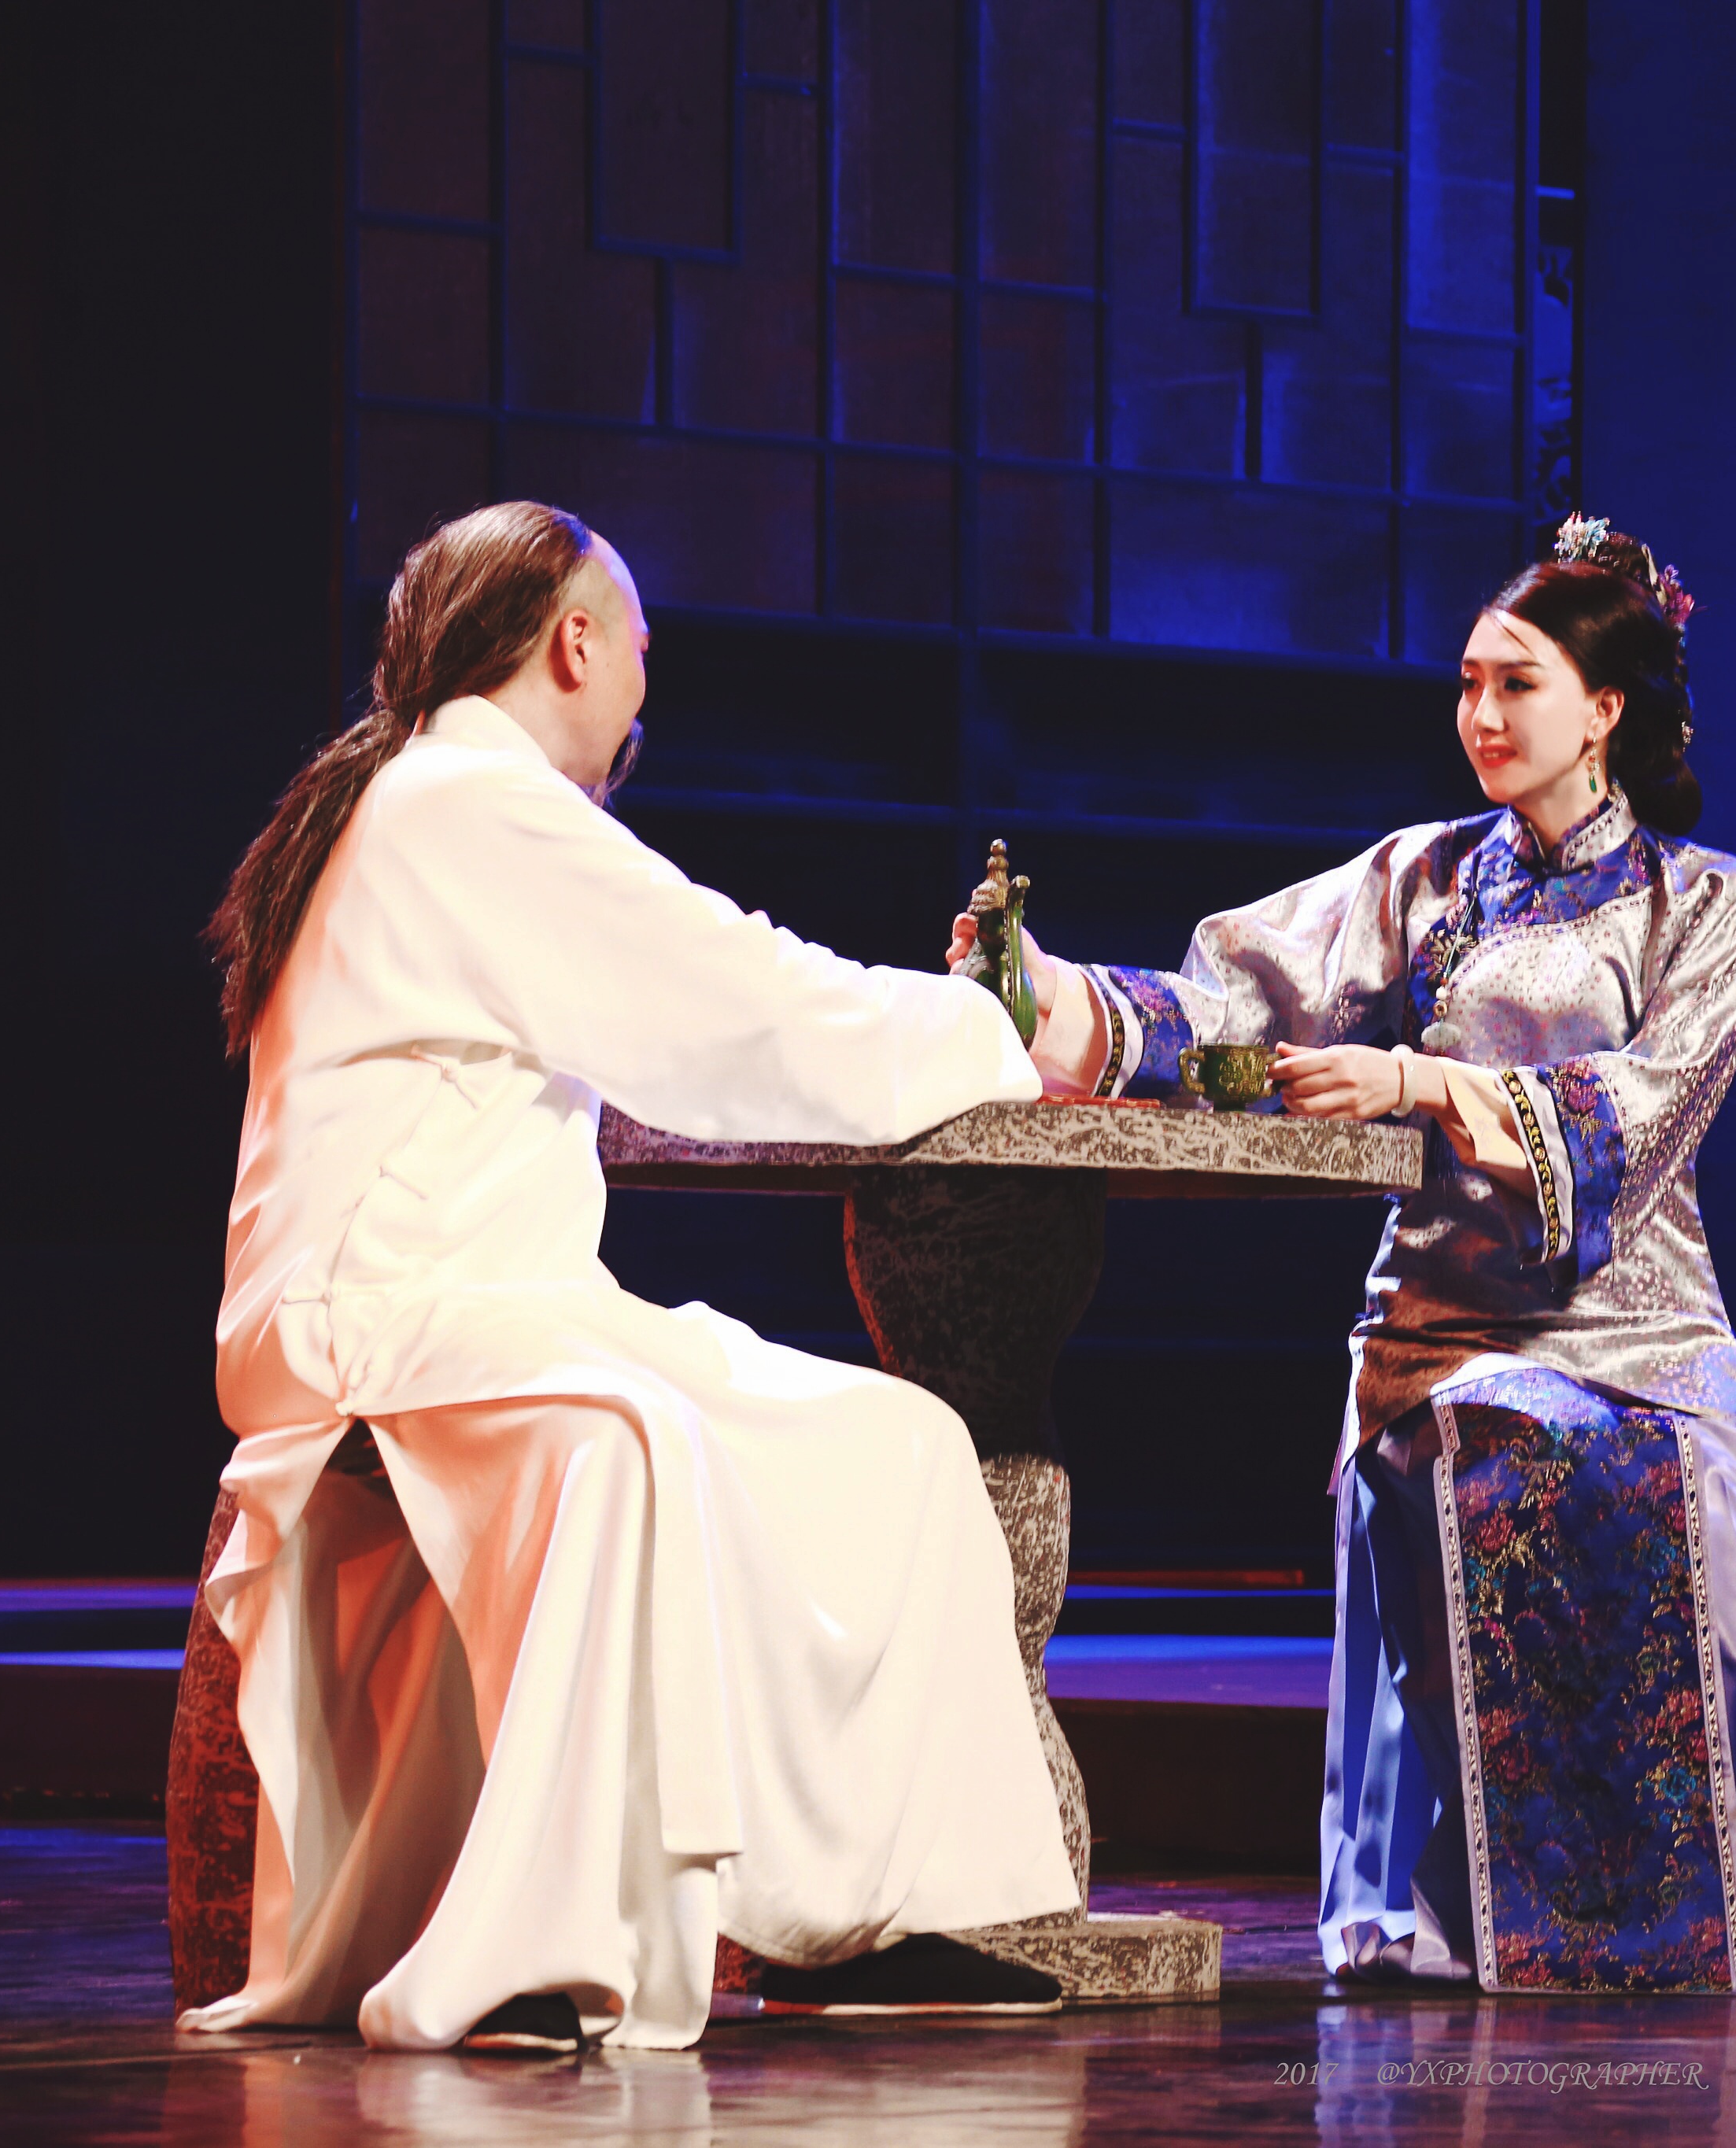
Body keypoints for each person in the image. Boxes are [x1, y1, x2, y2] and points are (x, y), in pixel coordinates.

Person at [999, 517, 1736, 1994]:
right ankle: (1466, 1904)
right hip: (1444, 1327)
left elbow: (1640, 1115)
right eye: (1468, 684)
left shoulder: (1712, 905)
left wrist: (1420, 1081)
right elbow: (1238, 994)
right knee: (1486, 1445)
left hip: (1645, 1331)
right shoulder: (1424, 877)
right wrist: (1042, 992)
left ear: (1606, 708)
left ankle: (1686, 1892)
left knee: (1696, 1499)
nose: (1482, 715)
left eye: (1517, 684)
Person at [184, 501, 1077, 2053]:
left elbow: (682, 997)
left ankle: (869, 1918)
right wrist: (979, 1027)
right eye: (640, 648)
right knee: (624, 1440)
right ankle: (532, 1948)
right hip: (383, 1308)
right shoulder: (466, 802)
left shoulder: (446, 801)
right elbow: (727, 992)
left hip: (480, 1301)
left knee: (899, 1446)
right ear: (575, 643)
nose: (644, 688)